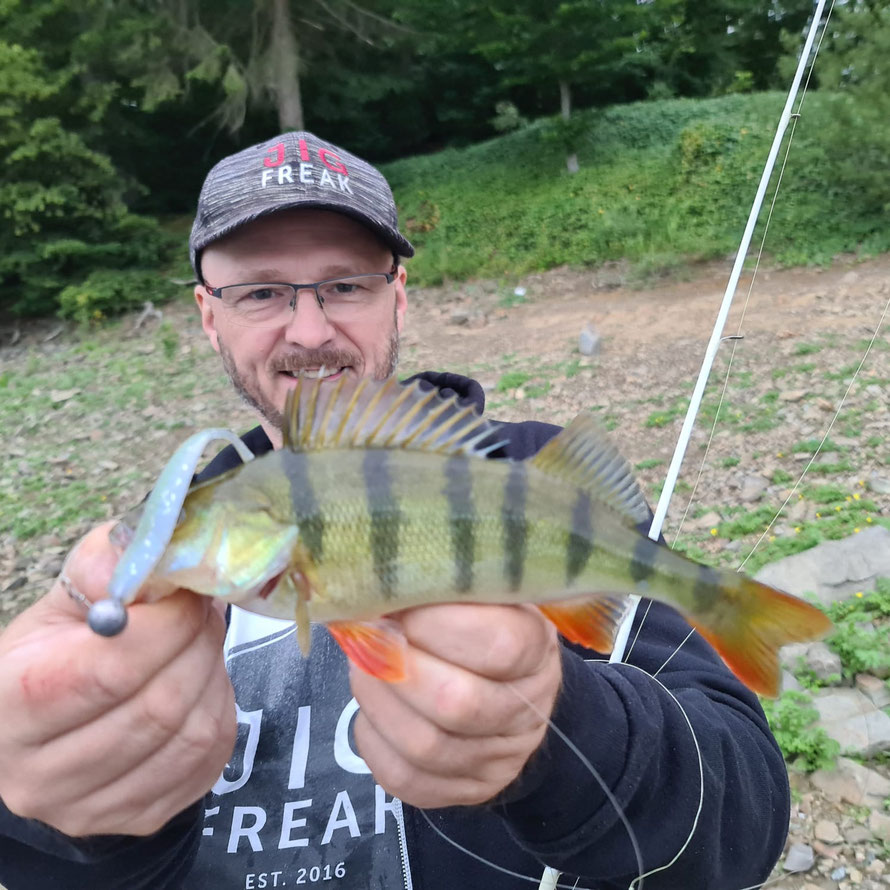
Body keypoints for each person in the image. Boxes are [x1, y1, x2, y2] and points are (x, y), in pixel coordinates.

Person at [0, 131, 791, 890]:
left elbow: (743, 824)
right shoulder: (166, 554)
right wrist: (61, 829)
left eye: (345, 284)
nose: (309, 330)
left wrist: (560, 730)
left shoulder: (530, 479)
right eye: (262, 292)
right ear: (210, 314)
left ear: (397, 296)